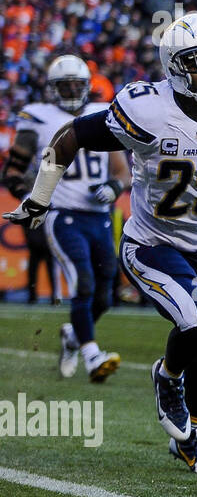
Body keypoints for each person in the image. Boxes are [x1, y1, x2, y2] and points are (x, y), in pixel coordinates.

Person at [5, 12, 197, 475]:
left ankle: (194, 437)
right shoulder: (147, 108)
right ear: (176, 66)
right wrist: (39, 198)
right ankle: (167, 376)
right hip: (151, 243)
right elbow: (71, 136)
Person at [4, 55, 129, 380]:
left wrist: (114, 187)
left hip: (100, 217)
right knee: (82, 282)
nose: (73, 90)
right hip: (62, 215)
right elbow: (14, 170)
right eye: (66, 85)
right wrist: (32, 199)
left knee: (105, 293)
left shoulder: (100, 114)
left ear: (88, 86)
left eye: (77, 84)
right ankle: (92, 355)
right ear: (52, 88)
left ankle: (73, 338)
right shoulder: (38, 117)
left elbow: (122, 171)